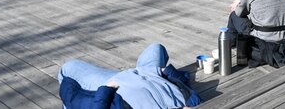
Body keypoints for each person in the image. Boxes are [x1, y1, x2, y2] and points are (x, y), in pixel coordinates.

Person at [58, 43, 200, 109]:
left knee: (69, 68)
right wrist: (166, 72)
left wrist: (106, 90)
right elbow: (183, 85)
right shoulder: (192, 102)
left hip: (114, 85)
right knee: (156, 48)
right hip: (148, 73)